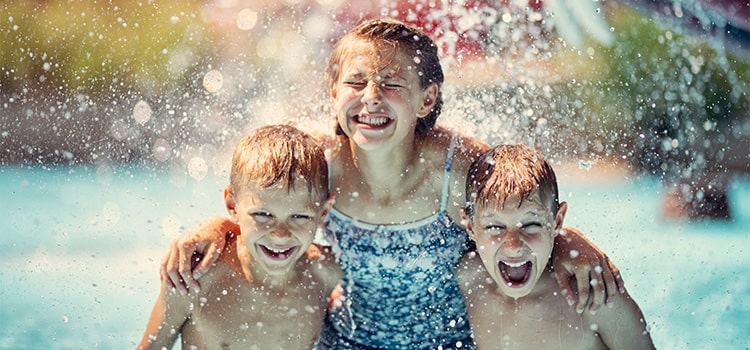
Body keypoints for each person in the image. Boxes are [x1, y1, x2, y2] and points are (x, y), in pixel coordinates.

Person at [161, 18, 624, 349]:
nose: (371, 98)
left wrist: (570, 243)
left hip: (453, 343)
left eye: (391, 83)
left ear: (427, 99)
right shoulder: (321, 166)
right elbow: (259, 209)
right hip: (346, 341)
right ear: (333, 94)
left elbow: (525, 215)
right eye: (355, 82)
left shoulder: (457, 170)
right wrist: (215, 229)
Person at [138, 125, 342, 349]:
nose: (280, 234)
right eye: (263, 215)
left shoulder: (325, 274)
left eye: (300, 216)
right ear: (232, 204)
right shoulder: (196, 275)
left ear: (323, 212)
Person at [457, 144, 655, 349]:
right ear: (470, 226)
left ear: (557, 221)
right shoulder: (470, 279)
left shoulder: (593, 296)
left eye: (531, 225)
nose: (513, 245)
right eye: (495, 227)